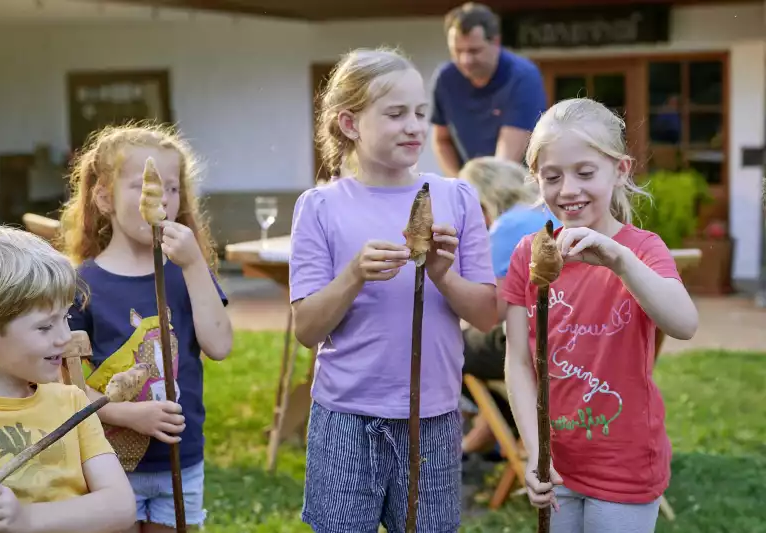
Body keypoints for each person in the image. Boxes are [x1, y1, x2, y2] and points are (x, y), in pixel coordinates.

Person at [290, 47, 498, 532]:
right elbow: (306, 328)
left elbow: (488, 315)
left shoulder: (455, 198)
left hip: (434, 415)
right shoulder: (320, 207)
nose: (414, 127)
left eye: (422, 113)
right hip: (346, 415)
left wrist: (444, 274)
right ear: (349, 123)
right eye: (396, 114)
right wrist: (354, 275)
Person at [502, 98, 699, 532]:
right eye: (552, 177)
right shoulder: (527, 257)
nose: (568, 190)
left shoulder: (642, 250)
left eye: (585, 173)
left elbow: (684, 324)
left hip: (624, 466)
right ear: (536, 180)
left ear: (621, 170)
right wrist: (534, 452)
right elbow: (517, 361)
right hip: (557, 463)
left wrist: (620, 260)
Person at [60, 123, 233, 533]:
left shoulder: (186, 273)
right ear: (104, 197)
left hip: (181, 457)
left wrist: (193, 265)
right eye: (143, 185)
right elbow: (65, 387)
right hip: (107, 460)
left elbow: (220, 345)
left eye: (172, 188)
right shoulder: (82, 284)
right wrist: (127, 414)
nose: (163, 199)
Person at [0, 227, 136, 533]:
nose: (64, 337)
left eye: (66, 318)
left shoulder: (71, 403)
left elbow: (120, 506)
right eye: (45, 327)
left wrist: (27, 520)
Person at [458, 156, 559, 458]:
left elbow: (494, 311)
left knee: (443, 345)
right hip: (574, 340)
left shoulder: (507, 226)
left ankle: (500, 425)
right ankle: (494, 427)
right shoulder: (553, 213)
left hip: (534, 345)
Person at [430, 2, 547, 176]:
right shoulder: (445, 79)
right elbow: (442, 140)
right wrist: (458, 184)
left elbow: (506, 158)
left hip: (519, 186)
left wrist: (480, 193)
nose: (465, 60)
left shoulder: (522, 76)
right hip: (472, 182)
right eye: (457, 51)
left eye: (474, 51)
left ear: (496, 42)